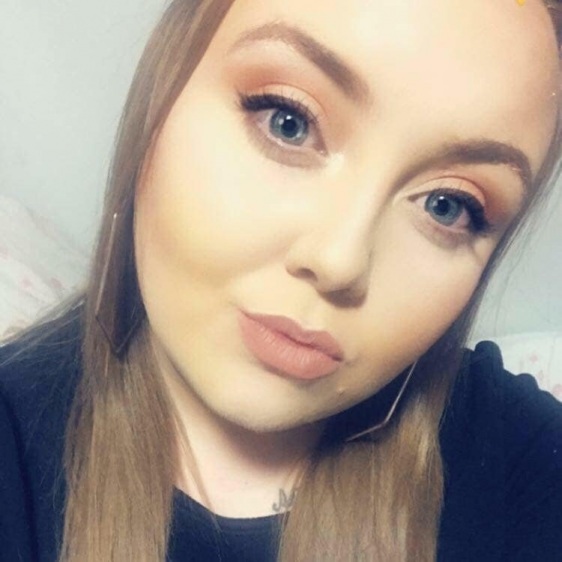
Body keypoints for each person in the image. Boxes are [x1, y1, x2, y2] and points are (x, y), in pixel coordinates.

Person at [1, 0, 561, 560]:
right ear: (160, 98)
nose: (340, 261)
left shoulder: (517, 459)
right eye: (288, 121)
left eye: (448, 205)